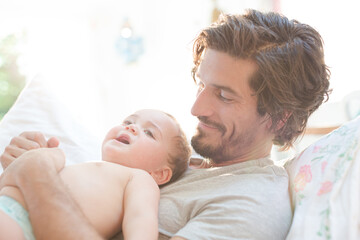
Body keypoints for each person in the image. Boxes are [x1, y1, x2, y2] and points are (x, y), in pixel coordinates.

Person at [0, 9, 331, 240]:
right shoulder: (176, 162)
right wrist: (29, 160)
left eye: (224, 96)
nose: (196, 108)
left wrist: (37, 176)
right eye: (202, 85)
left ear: (279, 117)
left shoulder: (252, 203)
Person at [0, 109, 191, 240]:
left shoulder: (140, 178)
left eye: (149, 133)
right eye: (128, 121)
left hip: (27, 226)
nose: (131, 127)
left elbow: (141, 217)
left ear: (159, 174)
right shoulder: (83, 165)